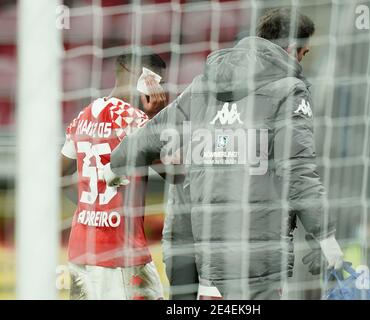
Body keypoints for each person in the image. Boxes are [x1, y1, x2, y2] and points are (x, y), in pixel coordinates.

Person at [106, 8, 344, 299]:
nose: (301, 62)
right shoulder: (289, 91)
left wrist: (116, 163)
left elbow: (153, 133)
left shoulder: (203, 85)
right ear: (292, 48)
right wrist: (325, 235)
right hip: (254, 262)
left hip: (198, 257)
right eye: (303, 53)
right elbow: (297, 170)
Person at [61, 49, 168, 300]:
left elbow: (58, 177)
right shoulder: (134, 119)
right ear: (138, 74)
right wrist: (157, 118)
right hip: (120, 253)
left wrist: (93, 210)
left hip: (81, 247)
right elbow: (176, 172)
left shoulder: (82, 116)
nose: (157, 88)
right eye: (156, 80)